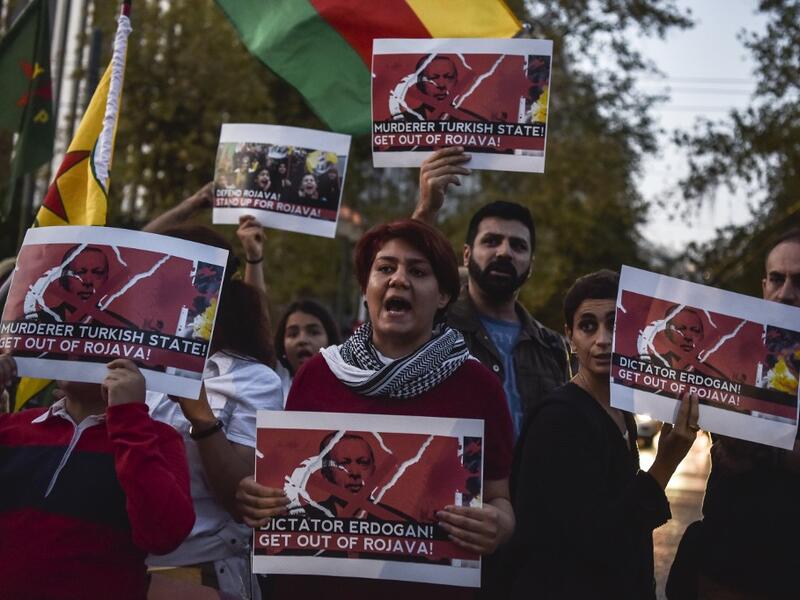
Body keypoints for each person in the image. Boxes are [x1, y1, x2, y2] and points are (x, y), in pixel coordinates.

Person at [235, 219, 515, 600]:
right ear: (365, 290)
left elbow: (501, 499)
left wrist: (498, 525)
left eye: (418, 272)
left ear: (444, 296)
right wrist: (255, 497)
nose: (399, 279)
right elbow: (281, 484)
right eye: (385, 268)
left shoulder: (477, 385)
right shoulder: (318, 374)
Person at [507, 269, 700, 599]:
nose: (602, 339)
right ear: (570, 337)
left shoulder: (621, 412)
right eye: (588, 326)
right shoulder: (559, 419)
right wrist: (665, 464)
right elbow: (593, 543)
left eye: (615, 324)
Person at [142, 226, 282, 600]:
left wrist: (202, 417)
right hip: (120, 566)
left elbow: (243, 503)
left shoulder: (253, 380)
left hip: (201, 573)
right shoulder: (131, 368)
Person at [667, 228, 800, 599]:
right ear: (764, 286)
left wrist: (756, 445)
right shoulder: (731, 351)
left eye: (799, 281)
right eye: (777, 278)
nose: (786, 292)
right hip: (724, 568)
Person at [0, 355, 195, 600]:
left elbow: (164, 536)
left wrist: (130, 419)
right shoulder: (11, 428)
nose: (76, 353)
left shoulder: (157, 438)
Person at [413, 149, 571, 441]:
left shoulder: (552, 348)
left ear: (531, 265)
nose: (504, 252)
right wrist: (426, 210)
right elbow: (402, 289)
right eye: (492, 241)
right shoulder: (432, 328)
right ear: (466, 254)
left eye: (518, 246)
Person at [273, 299, 340, 402]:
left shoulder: (349, 388)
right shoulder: (271, 388)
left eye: (314, 332)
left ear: (330, 341)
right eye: (293, 334)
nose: (302, 340)